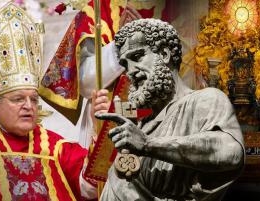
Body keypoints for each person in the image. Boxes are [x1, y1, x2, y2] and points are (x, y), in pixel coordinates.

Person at [0, 3, 108, 201]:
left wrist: (99, 128)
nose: (29, 106)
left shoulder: (55, 147)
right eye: (18, 99)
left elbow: (90, 188)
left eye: (33, 99)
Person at [95, 18, 245, 201]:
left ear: (164, 54)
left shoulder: (204, 100)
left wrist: (148, 145)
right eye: (126, 65)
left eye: (137, 57)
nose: (130, 71)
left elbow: (230, 153)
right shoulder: (141, 127)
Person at [39, 0, 166, 148]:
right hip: (107, 118)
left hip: (167, 120)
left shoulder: (186, 8)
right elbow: (85, 84)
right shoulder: (99, 8)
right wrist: (123, 44)